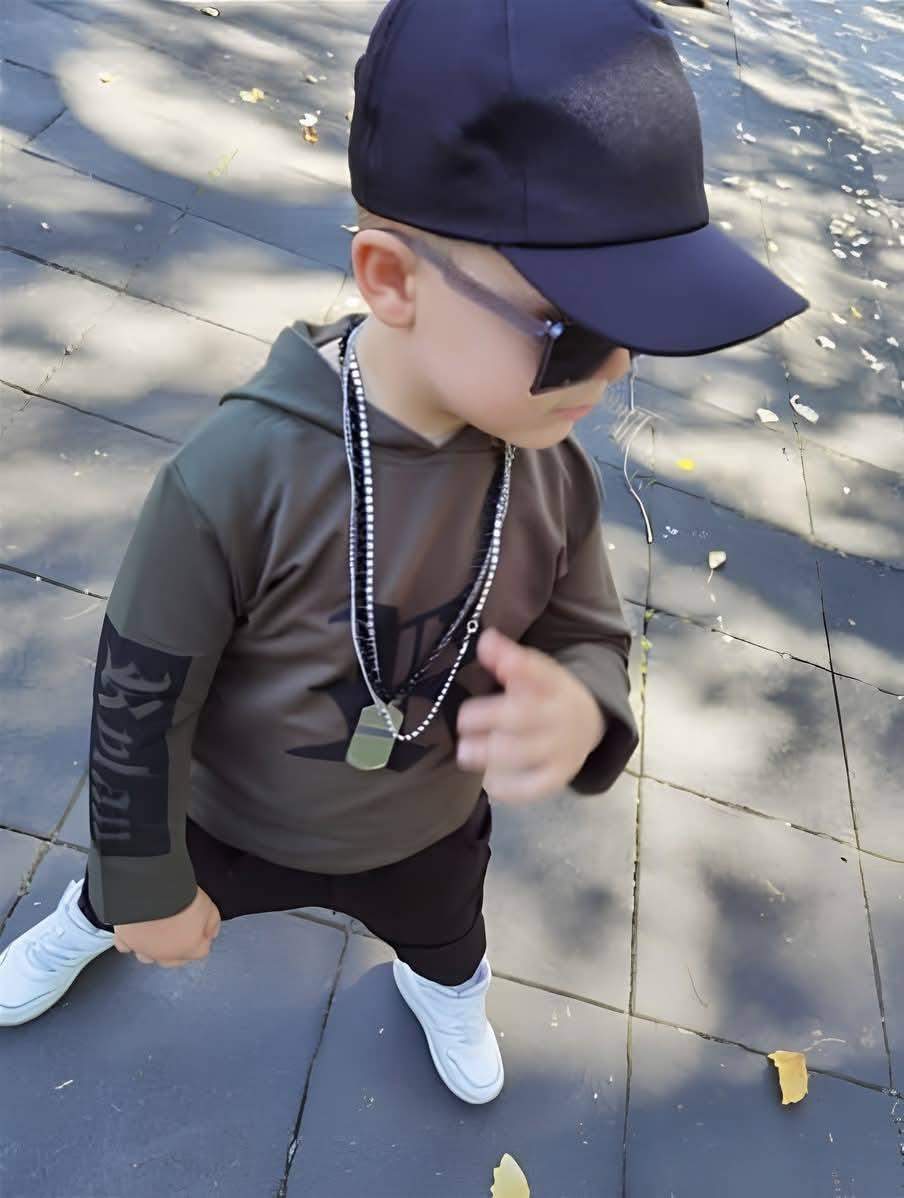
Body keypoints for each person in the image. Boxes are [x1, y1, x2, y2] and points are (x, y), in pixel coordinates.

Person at [0, 0, 807, 1107]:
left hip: (425, 827)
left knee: (446, 937)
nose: (617, 365)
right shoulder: (240, 474)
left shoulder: (549, 469)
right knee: (121, 892)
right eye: (576, 327)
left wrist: (581, 707)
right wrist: (144, 883)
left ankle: (449, 991)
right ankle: (89, 917)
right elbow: (141, 694)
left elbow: (588, 627)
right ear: (390, 279)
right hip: (231, 816)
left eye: (637, 327)